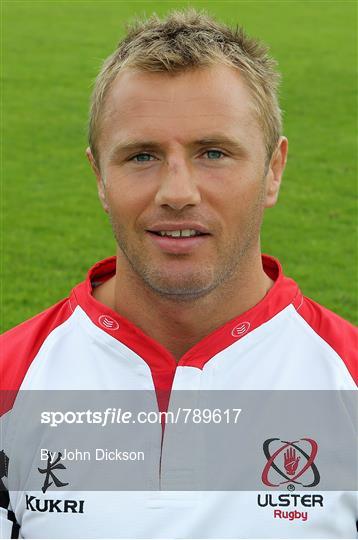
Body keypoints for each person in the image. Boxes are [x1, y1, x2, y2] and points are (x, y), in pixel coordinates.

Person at [0, 8, 357, 539]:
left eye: (214, 153)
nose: (177, 193)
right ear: (99, 176)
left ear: (272, 170)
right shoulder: (11, 382)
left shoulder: (346, 381)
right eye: (141, 156)